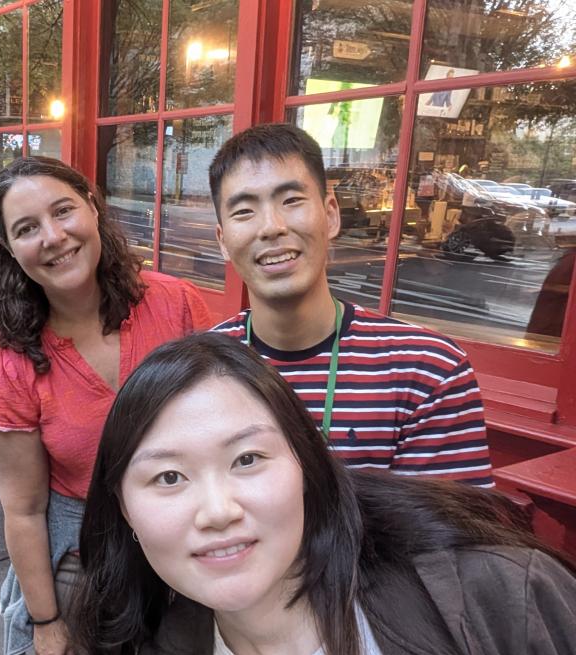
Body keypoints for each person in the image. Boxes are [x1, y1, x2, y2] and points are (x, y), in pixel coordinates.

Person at [70, 332, 576, 655]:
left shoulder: (500, 598)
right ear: (124, 510)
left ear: (306, 466)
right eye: (169, 476)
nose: (218, 510)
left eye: (247, 459)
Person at [0, 156, 211, 655]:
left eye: (63, 211)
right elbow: (23, 509)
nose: (54, 236)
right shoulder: (12, 364)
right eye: (27, 229)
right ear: (9, 250)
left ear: (93, 208)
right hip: (85, 558)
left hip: (194, 538)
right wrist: (45, 622)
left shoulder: (177, 305)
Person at [208, 123, 493, 486]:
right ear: (222, 240)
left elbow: (447, 536)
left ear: (330, 215)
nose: (271, 227)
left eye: (291, 201)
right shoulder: (205, 371)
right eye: (244, 211)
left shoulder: (427, 372)